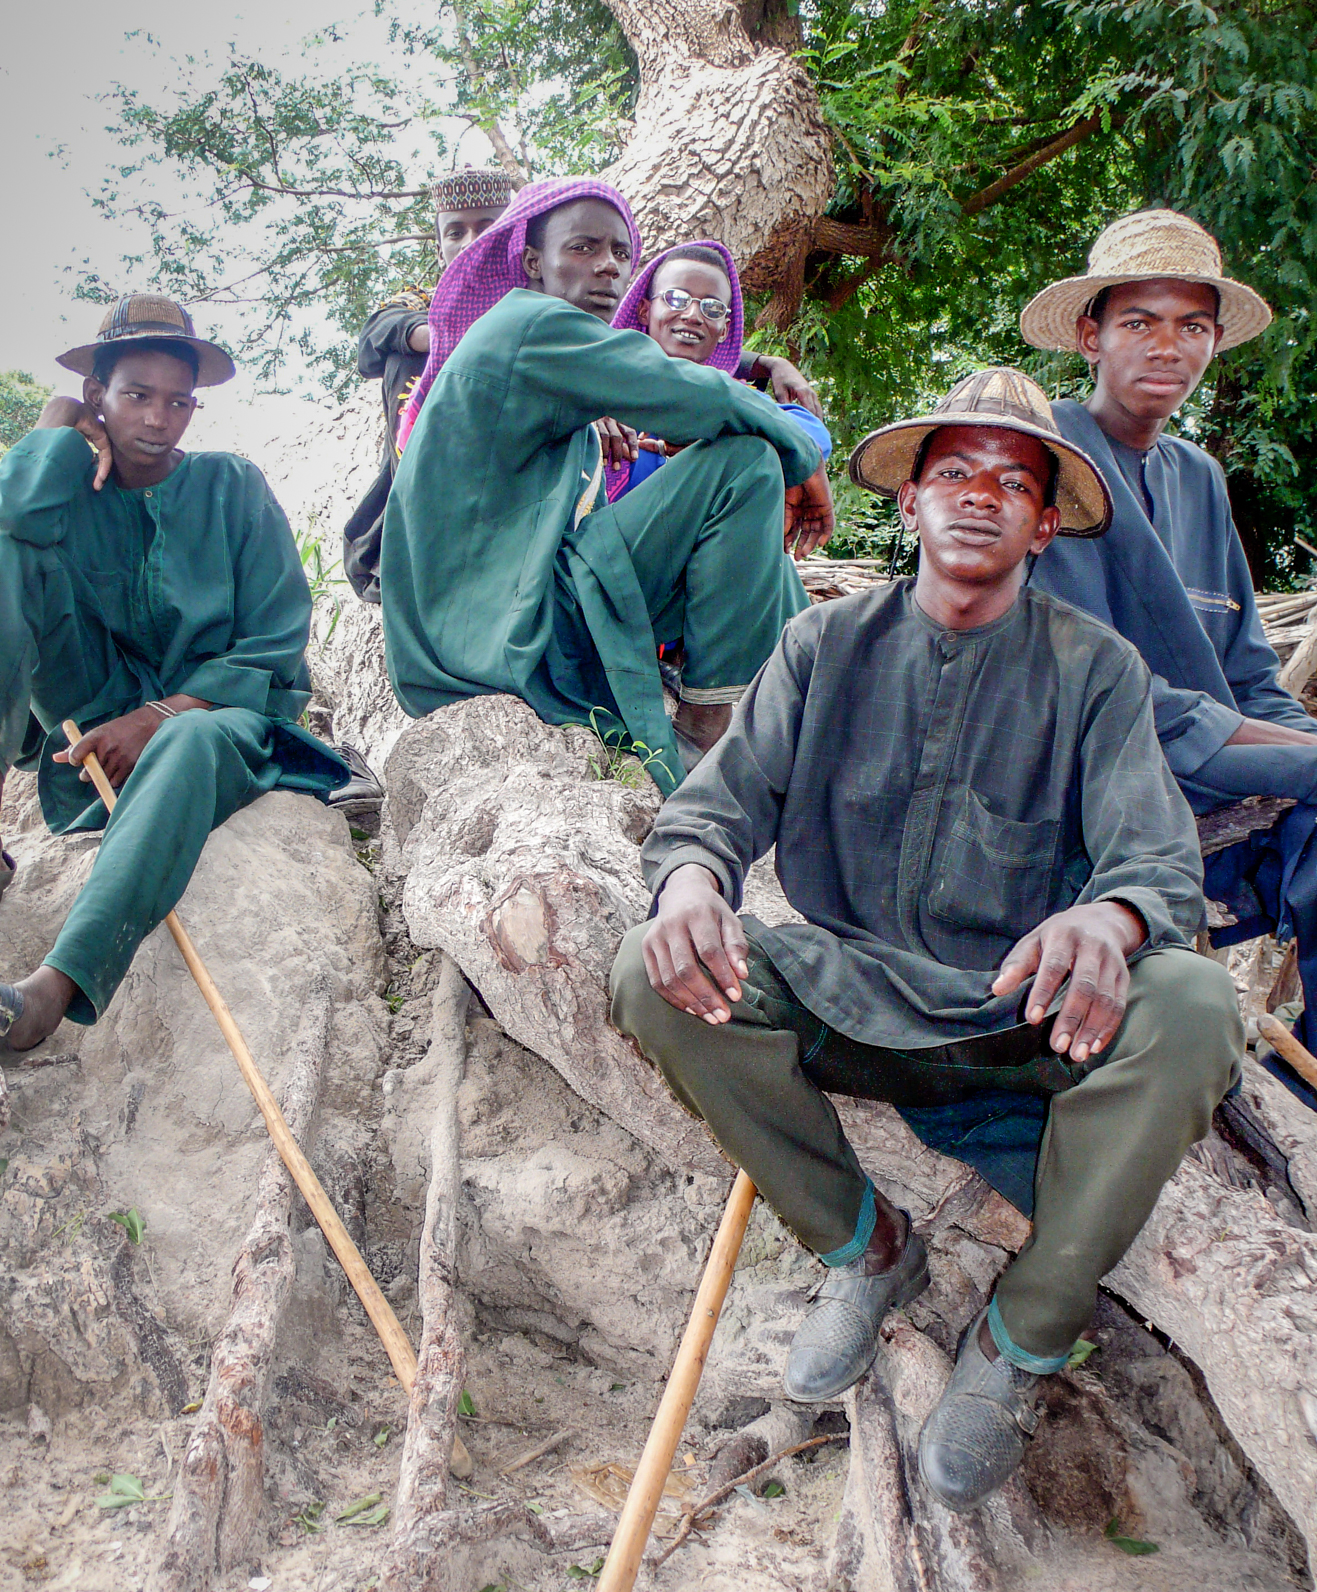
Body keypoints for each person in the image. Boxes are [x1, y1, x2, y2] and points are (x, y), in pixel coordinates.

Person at [609, 367, 1243, 1511]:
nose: (981, 494)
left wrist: (1108, 918)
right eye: (954, 470)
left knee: (1197, 1007)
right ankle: (868, 1245)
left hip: (1024, 1016)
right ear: (909, 501)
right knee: (651, 976)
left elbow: (1157, 862)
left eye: (1015, 480)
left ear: (1046, 524)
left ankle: (1023, 1332)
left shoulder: (1096, 668)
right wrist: (692, 882)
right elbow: (714, 808)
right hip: (853, 997)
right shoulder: (822, 647)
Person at [381, 178, 834, 788]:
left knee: (752, 523)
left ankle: (813, 700)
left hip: (507, 621)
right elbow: (682, 388)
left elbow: (677, 378)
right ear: (533, 263)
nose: (608, 269)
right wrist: (803, 460)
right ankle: (708, 726)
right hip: (504, 638)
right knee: (747, 465)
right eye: (584, 249)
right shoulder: (528, 324)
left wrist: (765, 375)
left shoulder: (542, 344)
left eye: (622, 254)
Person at [1021, 209, 1317, 1109]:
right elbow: (1084, 681)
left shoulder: (1197, 477)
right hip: (1091, 765)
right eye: (1138, 322)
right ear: (1089, 335)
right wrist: (1279, 748)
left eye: (1191, 326)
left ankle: (1299, 1084)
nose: (1166, 347)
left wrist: (1296, 739)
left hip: (1215, 760)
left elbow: (1247, 665)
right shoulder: (1050, 461)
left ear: (1214, 343)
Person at [0, 296, 350, 1049]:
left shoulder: (231, 486)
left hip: (217, 725)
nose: (159, 419)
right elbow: (14, 519)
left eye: (178, 401)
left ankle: (54, 989)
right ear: (100, 394)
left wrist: (156, 716)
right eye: (136, 396)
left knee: (188, 739)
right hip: (90, 753)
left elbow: (276, 642)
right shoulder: (67, 488)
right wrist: (54, 425)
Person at [344, 168, 518, 599]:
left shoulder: (538, 299)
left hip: (513, 486)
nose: (470, 241)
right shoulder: (419, 301)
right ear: (440, 246)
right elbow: (372, 339)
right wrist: (446, 334)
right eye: (455, 231)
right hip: (428, 487)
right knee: (405, 354)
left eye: (487, 226)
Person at [603, 241, 831, 502]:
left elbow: (813, 435)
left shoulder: (735, 397)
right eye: (676, 298)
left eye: (712, 308)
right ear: (645, 310)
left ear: (724, 329)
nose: (693, 315)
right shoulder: (603, 386)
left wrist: (722, 436)